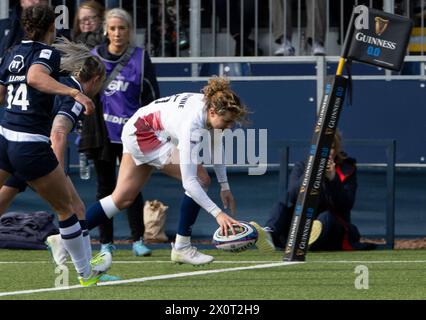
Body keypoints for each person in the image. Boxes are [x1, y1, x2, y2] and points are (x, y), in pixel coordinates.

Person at [74, 76, 245, 266]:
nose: (230, 126)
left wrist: (224, 186)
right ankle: (182, 247)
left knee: (122, 198)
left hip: (139, 127)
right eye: (227, 121)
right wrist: (218, 214)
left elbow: (216, 145)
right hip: (145, 133)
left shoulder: (209, 105)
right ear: (213, 112)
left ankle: (66, 237)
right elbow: (189, 182)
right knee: (200, 179)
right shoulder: (192, 125)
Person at [0, 4, 111, 286]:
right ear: (52, 27)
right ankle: (86, 274)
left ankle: (83, 269)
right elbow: (36, 77)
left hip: (5, 136)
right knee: (68, 210)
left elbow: (2, 94)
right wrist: (77, 93)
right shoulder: (47, 53)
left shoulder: (12, 53)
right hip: (29, 145)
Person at [78, 8, 160, 257]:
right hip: (102, 134)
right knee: (105, 188)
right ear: (105, 30)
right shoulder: (93, 57)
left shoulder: (140, 57)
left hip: (132, 135)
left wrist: (152, 132)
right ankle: (105, 243)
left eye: (122, 28)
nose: (117, 33)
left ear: (129, 31)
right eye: (112, 28)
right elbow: (81, 94)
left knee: (131, 188)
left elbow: (152, 97)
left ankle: (137, 239)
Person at [255, 130, 376, 251]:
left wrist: (333, 178)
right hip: (302, 220)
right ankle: (268, 235)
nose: (326, 153)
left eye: (331, 148)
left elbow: (346, 205)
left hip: (332, 225)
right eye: (322, 148)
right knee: (280, 207)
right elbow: (291, 196)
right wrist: (310, 173)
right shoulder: (302, 166)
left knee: (325, 217)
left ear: (337, 149)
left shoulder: (347, 169)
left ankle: (308, 242)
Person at [0, 0, 70, 63]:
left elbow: (64, 58)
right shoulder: (3, 27)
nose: (37, 2)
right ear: (22, 2)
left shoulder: (60, 29)